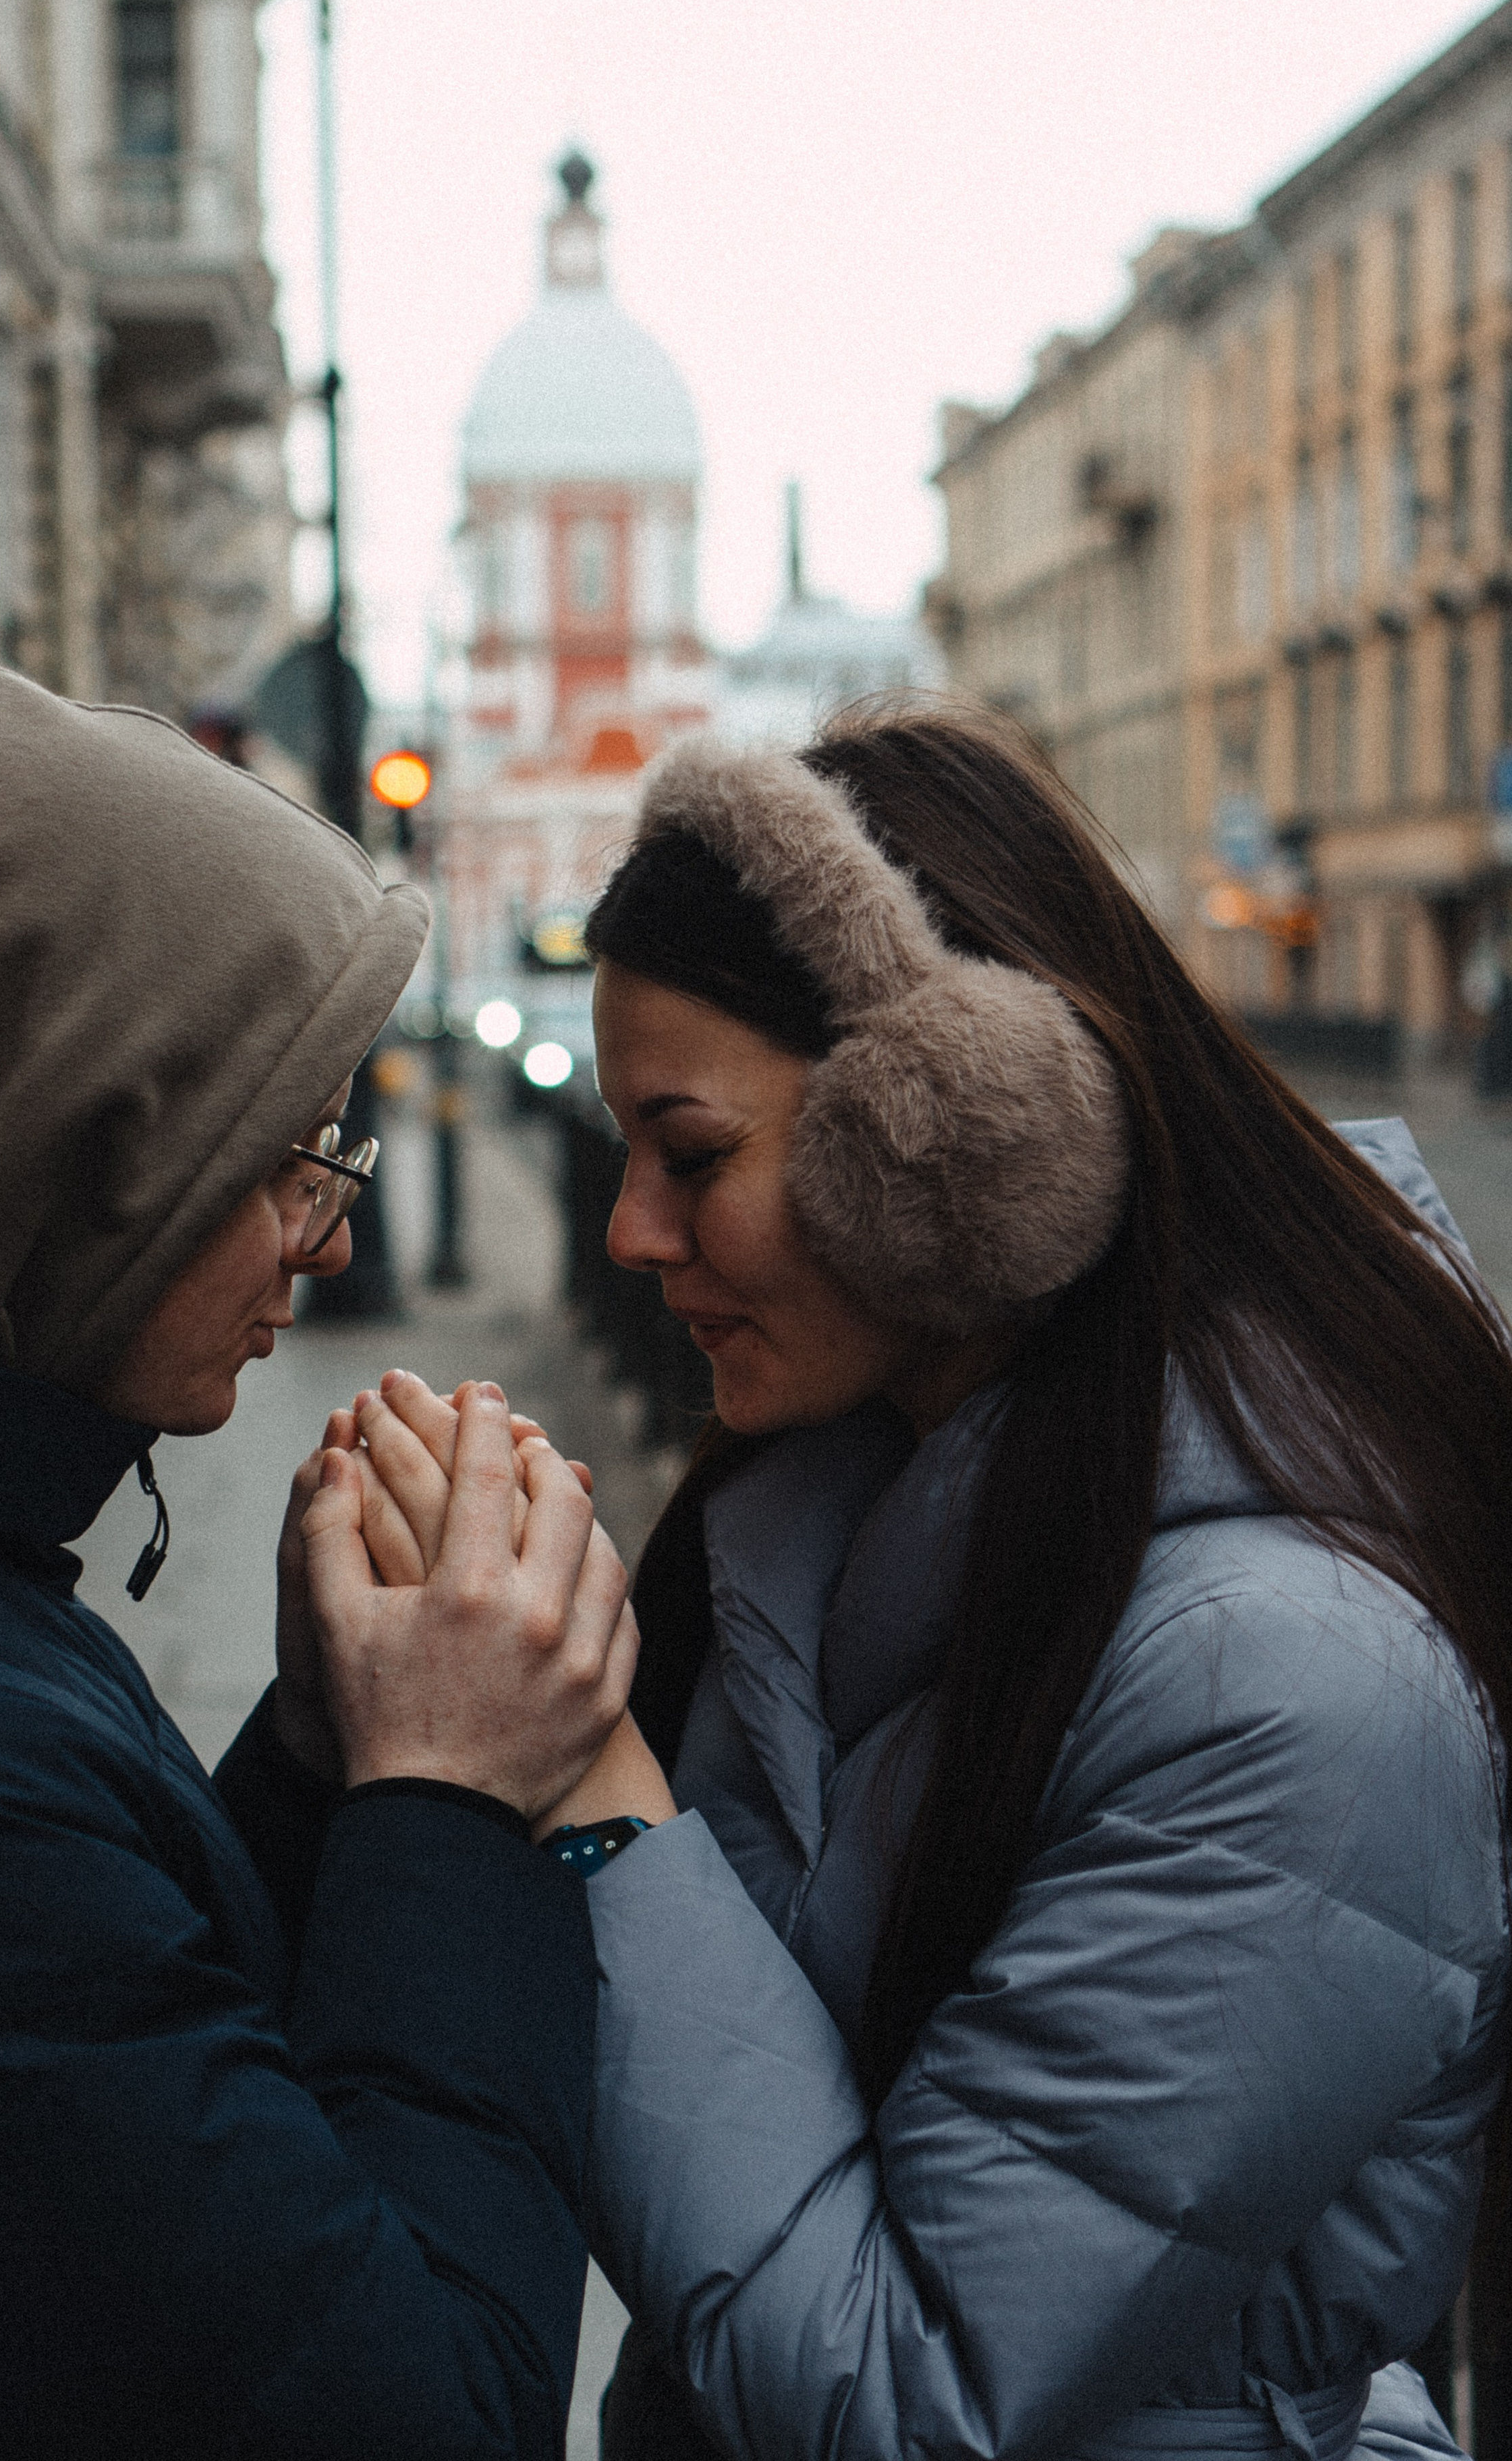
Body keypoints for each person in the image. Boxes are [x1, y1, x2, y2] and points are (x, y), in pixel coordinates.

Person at [345, 704, 1512, 2461]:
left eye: (694, 1153)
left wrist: (581, 1781)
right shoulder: (836, 1491)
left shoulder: (1298, 1695)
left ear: (953, 1140)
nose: (631, 1232)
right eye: (623, 1152)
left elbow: (908, 2396)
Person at [0, 659, 636, 2460]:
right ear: (68, 1156)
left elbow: (125, 2107)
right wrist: (452, 1796)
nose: (327, 1245)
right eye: (289, 1159)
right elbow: (418, 2415)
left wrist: (322, 1767)